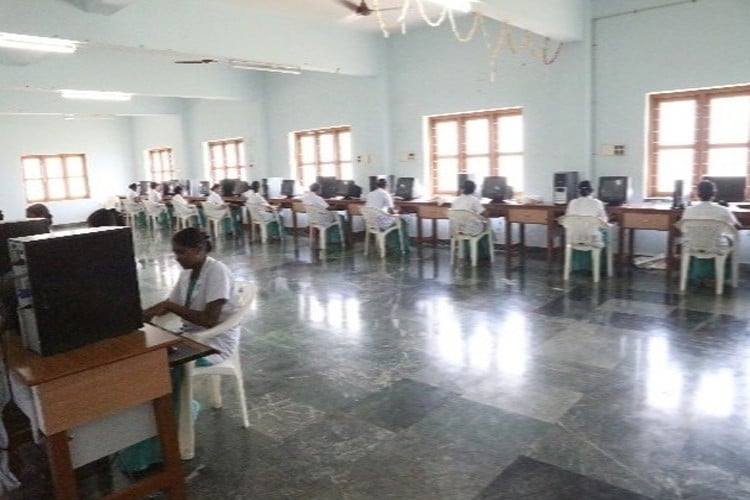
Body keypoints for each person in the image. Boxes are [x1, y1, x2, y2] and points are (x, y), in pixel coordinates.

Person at [143, 227, 237, 365]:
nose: (177, 258)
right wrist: (145, 314)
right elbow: (170, 303)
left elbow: (209, 320)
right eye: (175, 253)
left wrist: (169, 306)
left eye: (181, 252)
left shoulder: (217, 271)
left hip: (213, 343)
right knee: (152, 355)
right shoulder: (187, 272)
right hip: (191, 336)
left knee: (162, 364)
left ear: (198, 249)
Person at [683, 179, 740, 247]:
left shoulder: (688, 210)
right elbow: (737, 227)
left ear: (698, 194)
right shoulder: (723, 210)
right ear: (714, 193)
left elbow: (684, 230)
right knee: (729, 238)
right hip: (716, 248)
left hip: (694, 247)